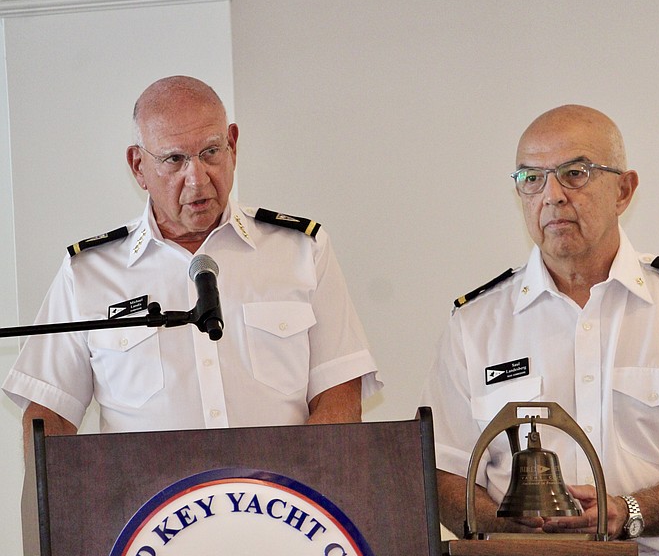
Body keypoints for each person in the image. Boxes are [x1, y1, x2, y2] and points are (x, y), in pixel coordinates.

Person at [420, 105, 659, 556]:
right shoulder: (475, 325)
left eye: (574, 173)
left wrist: (624, 512)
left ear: (623, 190)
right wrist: (521, 528)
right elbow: (444, 475)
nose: (551, 195)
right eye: (531, 179)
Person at [3, 75, 381, 440]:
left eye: (210, 152)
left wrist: (294, 487)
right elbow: (48, 412)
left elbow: (339, 394)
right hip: (148, 505)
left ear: (233, 144)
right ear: (139, 166)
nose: (197, 178)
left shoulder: (300, 251)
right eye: (174, 160)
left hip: (275, 502)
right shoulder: (89, 273)